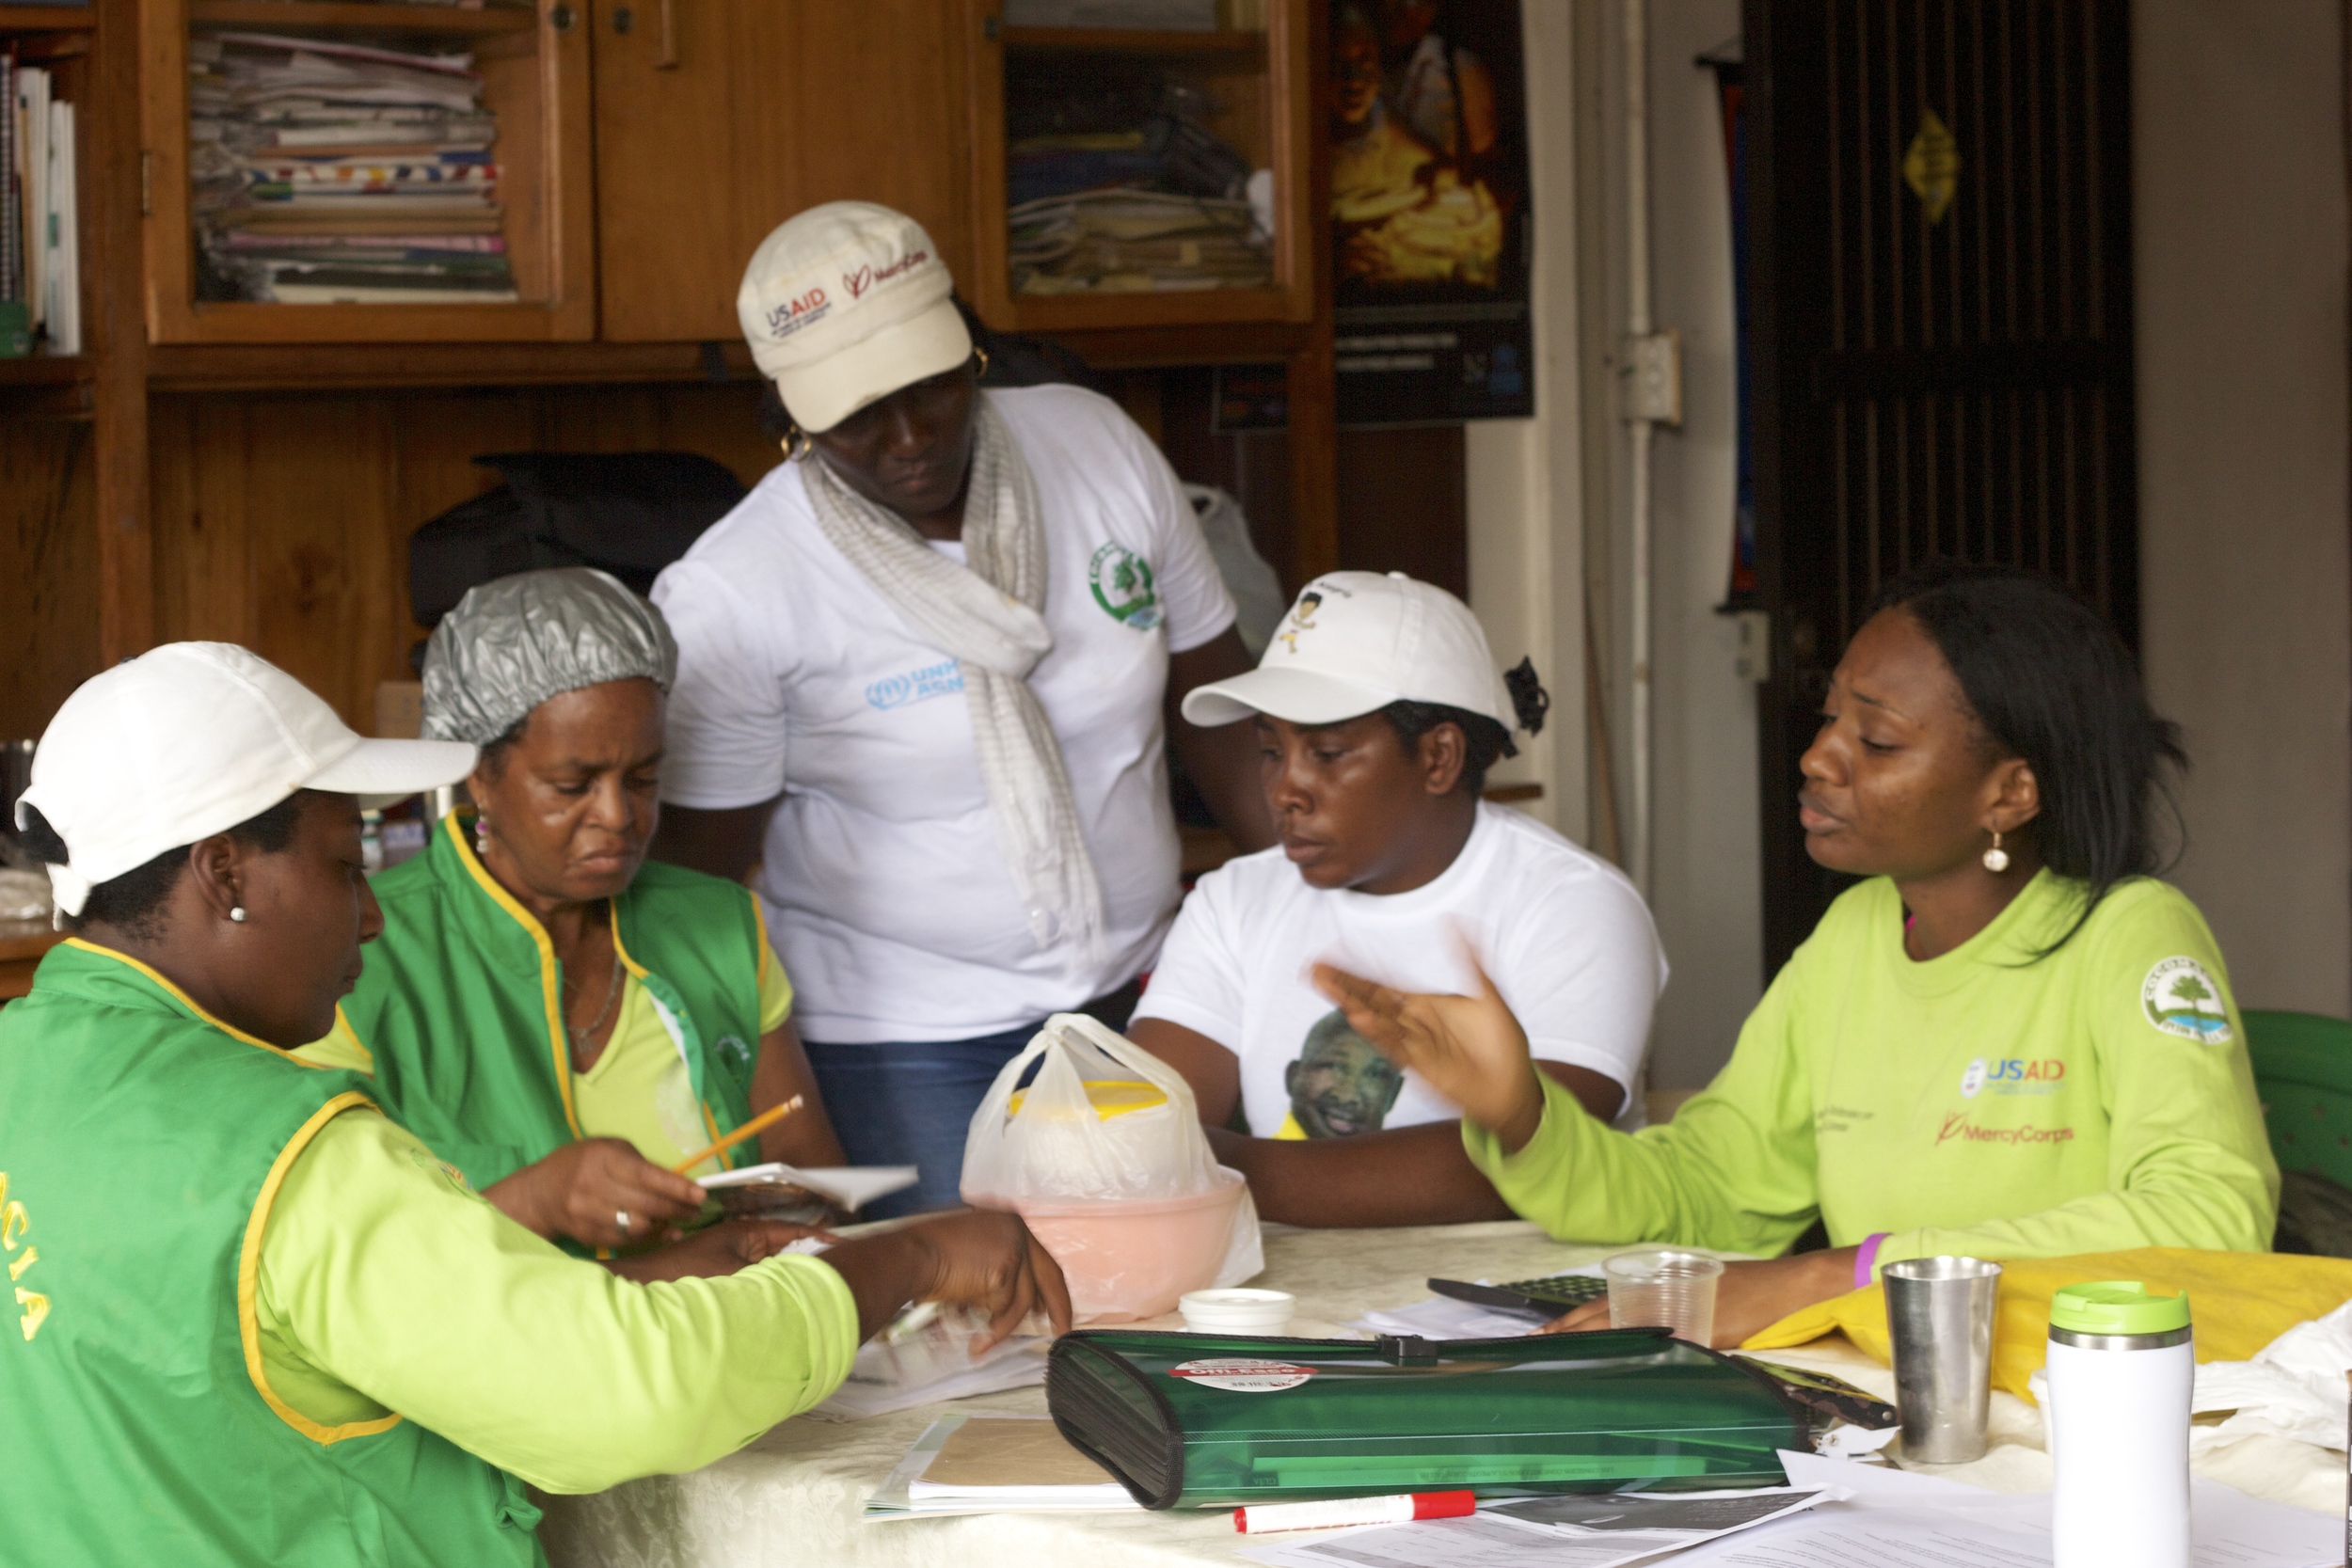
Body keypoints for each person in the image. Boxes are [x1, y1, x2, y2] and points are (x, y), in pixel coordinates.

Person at [0, 641, 1066, 1566]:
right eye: (342, 865)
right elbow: (633, 1391)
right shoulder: (287, 1154)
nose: (372, 918)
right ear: (223, 869)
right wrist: (902, 1260)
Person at [1316, 562, 2279, 1344]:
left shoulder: (2131, 934)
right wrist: (1524, 1112)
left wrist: (1843, 1270)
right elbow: (1711, 1193)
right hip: (1903, 1390)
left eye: (1878, 738)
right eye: (1829, 720)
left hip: (2087, 1401)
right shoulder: (1854, 936)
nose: (1820, 757)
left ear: (2009, 793)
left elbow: (2209, 1214)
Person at [649, 200, 1276, 1214]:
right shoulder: (740, 588)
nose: (909, 437)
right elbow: (699, 882)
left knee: (1188, 1281)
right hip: (906, 1038)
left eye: (934, 388)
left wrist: (1301, 932)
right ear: (788, 421)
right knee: (986, 1336)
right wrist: (779, 1124)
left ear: (973, 348)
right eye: (857, 416)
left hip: (1152, 990)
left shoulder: (1097, 448)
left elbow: (1219, 718)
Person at [296, 569, 848, 1254]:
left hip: (724, 1332)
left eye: (644, 778)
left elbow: (810, 1167)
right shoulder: (364, 956)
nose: (619, 817)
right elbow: (335, 1252)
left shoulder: (716, 922)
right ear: (477, 773)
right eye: (572, 784)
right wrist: (532, 1200)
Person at [1129, 572, 1665, 1226]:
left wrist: (1228, 1169)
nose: (1284, 790)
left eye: (1326, 753)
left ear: (1439, 756)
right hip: (1301, 1301)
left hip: (1524, 1301)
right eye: (1271, 749)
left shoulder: (1575, 905)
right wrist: (1160, 1156)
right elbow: (1147, 1123)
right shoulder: (1234, 900)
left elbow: (1534, 1158)